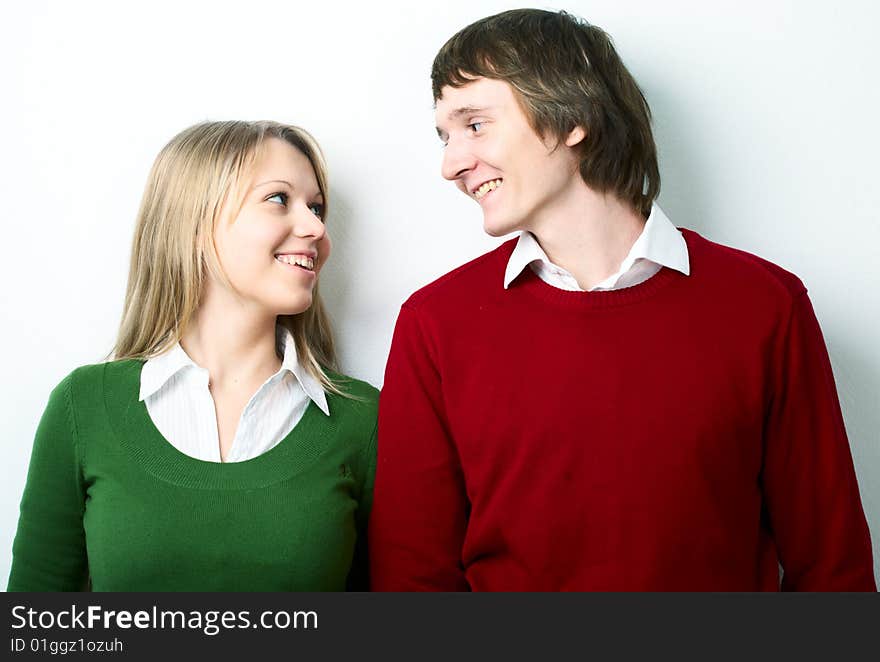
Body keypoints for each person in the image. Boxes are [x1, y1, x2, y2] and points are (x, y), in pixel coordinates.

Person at [369, 9, 875, 591]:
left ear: (572, 118)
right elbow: (413, 584)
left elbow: (834, 573)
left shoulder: (765, 305)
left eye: (475, 125)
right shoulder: (435, 324)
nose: (451, 164)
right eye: (445, 135)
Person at [8, 120, 378, 591]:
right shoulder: (83, 407)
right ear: (196, 223)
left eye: (316, 207)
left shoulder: (363, 420)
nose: (315, 227)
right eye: (279, 199)